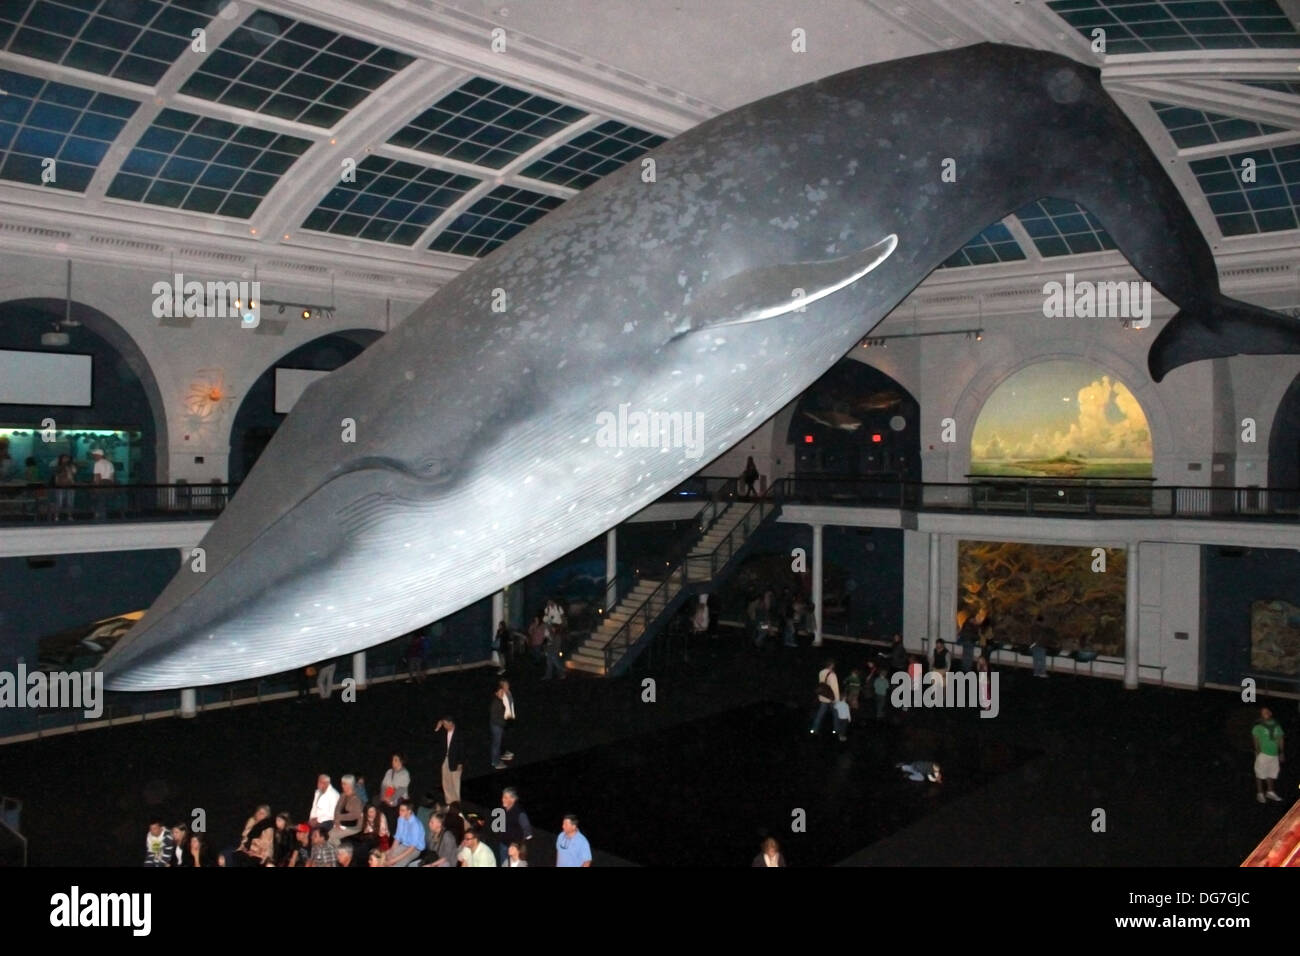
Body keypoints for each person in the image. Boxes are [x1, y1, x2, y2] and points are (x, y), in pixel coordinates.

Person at [1252, 706, 1285, 803]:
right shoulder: (1258, 727)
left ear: (1270, 713)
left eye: (1267, 711)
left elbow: (1281, 739)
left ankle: (1270, 792)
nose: (1265, 713)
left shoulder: (1277, 726)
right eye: (1263, 712)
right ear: (1261, 715)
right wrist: (1257, 752)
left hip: (1274, 754)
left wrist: (1281, 752)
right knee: (1260, 774)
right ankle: (1260, 793)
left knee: (1271, 773)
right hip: (1263, 753)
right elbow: (1255, 740)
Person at [809, 659, 846, 742]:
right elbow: (835, 688)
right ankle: (836, 730)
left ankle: (814, 729)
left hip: (823, 696)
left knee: (820, 714)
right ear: (831, 665)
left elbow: (821, 684)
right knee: (836, 714)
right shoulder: (832, 675)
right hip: (831, 698)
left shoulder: (821, 672)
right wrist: (837, 700)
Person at [498, 787, 534, 864]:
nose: (503, 799)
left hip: (514, 850)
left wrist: (517, 845)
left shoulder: (520, 813)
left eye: (506, 798)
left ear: (513, 799)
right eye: (503, 797)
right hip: (503, 845)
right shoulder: (502, 810)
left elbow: (529, 834)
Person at [384, 799, 426, 866]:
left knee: (398, 864)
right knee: (386, 857)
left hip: (415, 849)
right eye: (399, 809)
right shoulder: (401, 818)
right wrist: (391, 853)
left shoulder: (415, 825)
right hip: (405, 844)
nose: (400, 812)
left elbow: (412, 848)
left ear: (409, 811)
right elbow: (397, 838)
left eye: (402, 810)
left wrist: (394, 860)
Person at [434, 717, 465, 804]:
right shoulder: (443, 731)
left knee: (455, 781)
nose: (444, 726)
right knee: (446, 781)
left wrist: (460, 763)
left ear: (451, 723)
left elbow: (462, 749)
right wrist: (437, 728)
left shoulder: (459, 733)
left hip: (455, 760)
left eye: (445, 724)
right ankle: (449, 801)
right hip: (445, 758)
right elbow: (434, 738)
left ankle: (457, 803)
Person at [490, 679, 517, 770]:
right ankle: (496, 763)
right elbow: (495, 718)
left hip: (499, 725)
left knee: (498, 743)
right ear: (496, 693)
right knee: (496, 745)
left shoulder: (499, 700)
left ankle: (497, 760)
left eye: (502, 692)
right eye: (500, 692)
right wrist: (504, 722)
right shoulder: (496, 703)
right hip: (498, 726)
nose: (502, 694)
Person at [379, 753, 409, 827]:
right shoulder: (389, 772)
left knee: (394, 822)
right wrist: (383, 796)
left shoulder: (405, 774)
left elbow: (401, 789)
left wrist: (391, 798)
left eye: (395, 760)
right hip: (387, 799)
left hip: (398, 802)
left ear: (401, 762)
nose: (393, 761)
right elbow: (383, 785)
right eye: (393, 759)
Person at [332, 775, 364, 844]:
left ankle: (340, 852)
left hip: (354, 827)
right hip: (342, 824)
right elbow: (337, 810)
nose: (342, 786)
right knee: (328, 835)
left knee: (333, 836)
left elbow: (355, 815)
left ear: (350, 785)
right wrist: (337, 822)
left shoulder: (356, 798)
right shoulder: (343, 796)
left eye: (344, 784)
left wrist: (340, 817)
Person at [89, 448, 114, 520]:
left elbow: (97, 476)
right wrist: (112, 486)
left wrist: (96, 487)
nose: (94, 457)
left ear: (99, 455)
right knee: (105, 501)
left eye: (94, 455)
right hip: (108, 483)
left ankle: (99, 516)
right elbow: (112, 476)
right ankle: (104, 516)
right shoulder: (110, 463)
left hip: (101, 483)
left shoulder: (97, 463)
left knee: (99, 500)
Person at [52, 454, 75, 520]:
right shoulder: (58, 467)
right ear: (61, 459)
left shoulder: (71, 466)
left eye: (67, 458)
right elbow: (56, 476)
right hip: (60, 486)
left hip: (70, 486)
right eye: (64, 458)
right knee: (59, 502)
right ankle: (56, 516)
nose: (65, 460)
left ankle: (70, 516)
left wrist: (69, 468)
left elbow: (74, 472)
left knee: (70, 502)